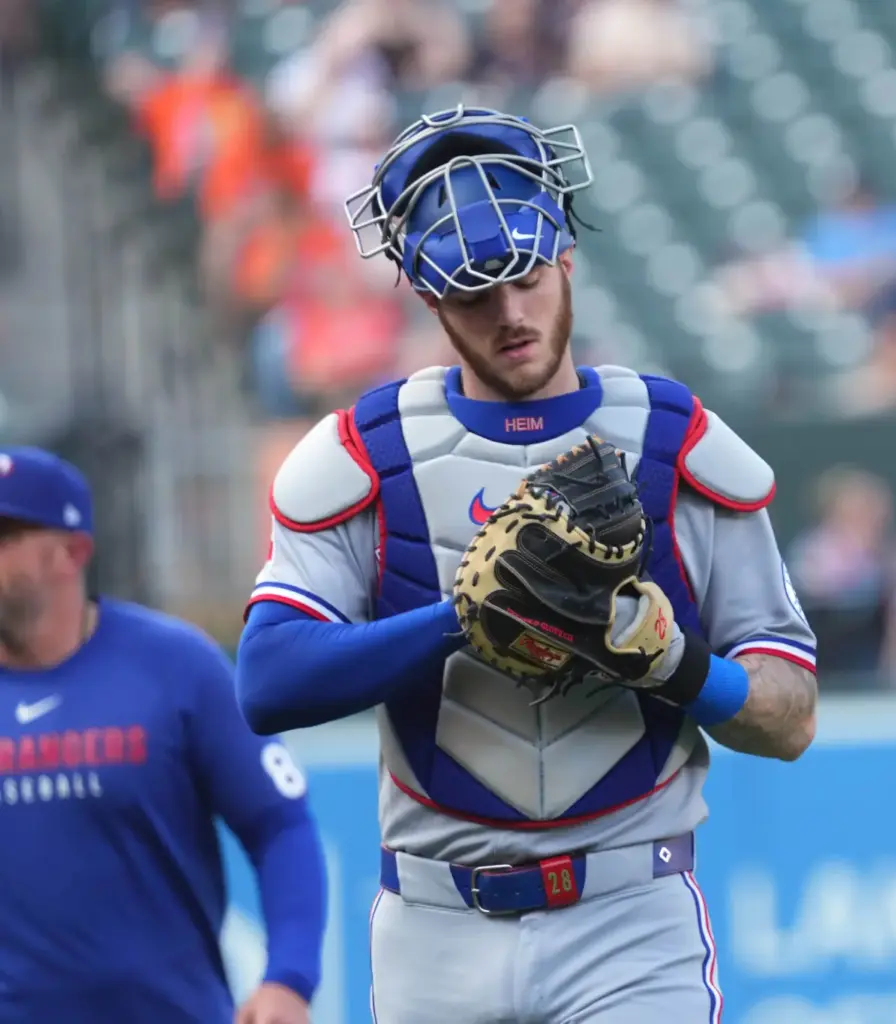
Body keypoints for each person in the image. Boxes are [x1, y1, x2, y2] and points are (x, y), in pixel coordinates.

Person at [231, 105, 818, 1022]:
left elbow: (790, 716)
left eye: (526, 274)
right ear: (426, 295)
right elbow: (268, 683)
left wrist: (676, 666)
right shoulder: (364, 454)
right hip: (435, 918)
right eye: (473, 292)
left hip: (631, 913)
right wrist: (464, 621)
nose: (509, 313)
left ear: (566, 256)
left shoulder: (675, 440)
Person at [0, 446, 325, 1024]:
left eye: (5, 536)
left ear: (72, 551)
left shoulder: (175, 668)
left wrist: (289, 978)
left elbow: (279, 824)